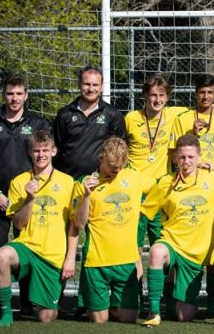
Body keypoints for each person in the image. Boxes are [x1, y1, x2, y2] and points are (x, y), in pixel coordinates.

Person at [0, 74, 50, 316]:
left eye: (19, 93)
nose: (14, 98)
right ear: (3, 95)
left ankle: (28, 302)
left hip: (27, 198)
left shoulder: (37, 124)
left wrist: (35, 189)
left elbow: (43, 158)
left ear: (26, 95)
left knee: (27, 248)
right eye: (10, 93)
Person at [141, 134, 214, 326]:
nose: (186, 161)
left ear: (199, 157)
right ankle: (154, 312)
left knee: (184, 315)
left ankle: (173, 296)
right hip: (172, 242)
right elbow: (145, 212)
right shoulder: (165, 182)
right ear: (175, 159)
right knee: (156, 251)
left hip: (196, 255)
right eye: (182, 157)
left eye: (191, 157)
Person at [68, 137, 159, 324]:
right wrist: (86, 195)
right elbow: (79, 223)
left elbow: (157, 188)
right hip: (97, 261)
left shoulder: (133, 177)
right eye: (111, 165)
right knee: (100, 320)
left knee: (128, 318)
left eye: (120, 165)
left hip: (126, 261)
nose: (116, 170)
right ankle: (93, 306)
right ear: (101, 158)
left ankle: (108, 305)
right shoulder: (83, 183)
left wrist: (144, 212)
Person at [0, 131, 73, 327]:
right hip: (27, 247)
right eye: (36, 151)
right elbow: (18, 224)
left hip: (52, 255)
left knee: (46, 317)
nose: (41, 155)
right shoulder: (20, 182)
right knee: (1, 255)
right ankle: (5, 313)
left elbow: (74, 226)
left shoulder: (68, 182)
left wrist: (70, 258)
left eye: (45, 150)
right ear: (30, 152)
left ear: (54, 151)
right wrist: (29, 198)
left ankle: (50, 299)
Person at [125, 75, 188, 249]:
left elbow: (201, 108)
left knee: (161, 242)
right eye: (153, 95)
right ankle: (135, 277)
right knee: (133, 242)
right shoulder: (131, 118)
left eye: (161, 95)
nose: (157, 99)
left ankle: (163, 277)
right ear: (145, 95)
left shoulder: (174, 114)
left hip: (161, 189)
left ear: (167, 97)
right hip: (136, 189)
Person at [53, 66, 126, 179]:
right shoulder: (65, 114)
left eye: (95, 85)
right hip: (68, 181)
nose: (91, 89)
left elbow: (120, 149)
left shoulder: (112, 114)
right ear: (79, 84)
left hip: (100, 181)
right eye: (87, 84)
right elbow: (56, 149)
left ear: (101, 87)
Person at [170, 74, 214, 173]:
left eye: (210, 92)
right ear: (195, 94)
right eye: (202, 92)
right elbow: (174, 157)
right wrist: (193, 134)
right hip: (191, 178)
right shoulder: (182, 119)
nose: (206, 97)